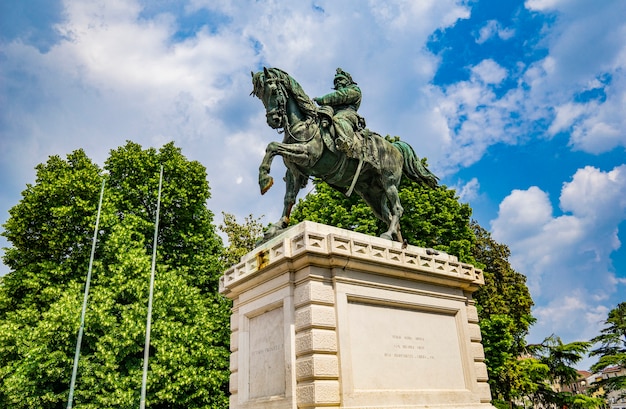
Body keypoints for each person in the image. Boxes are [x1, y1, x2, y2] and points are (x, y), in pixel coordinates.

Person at [314, 68, 363, 155]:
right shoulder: (334, 99)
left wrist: (322, 100)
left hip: (348, 113)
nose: (338, 82)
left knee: (337, 119)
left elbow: (342, 95)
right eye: (336, 81)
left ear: (348, 81)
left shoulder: (355, 90)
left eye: (341, 80)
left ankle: (346, 141)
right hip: (333, 112)